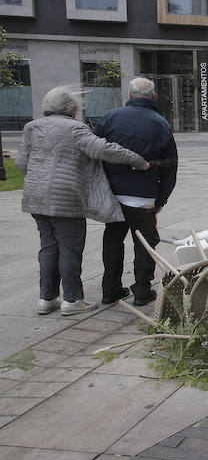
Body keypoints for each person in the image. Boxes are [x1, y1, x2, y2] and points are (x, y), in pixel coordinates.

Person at [17, 85, 149, 316]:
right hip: (66, 198)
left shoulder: (31, 127)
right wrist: (137, 160)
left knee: (48, 247)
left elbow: (21, 164)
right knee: (69, 248)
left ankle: (46, 298)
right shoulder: (75, 129)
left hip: (36, 197)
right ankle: (72, 300)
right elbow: (104, 149)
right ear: (71, 108)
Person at [94, 78, 178, 307]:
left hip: (113, 195)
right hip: (144, 196)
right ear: (152, 97)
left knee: (112, 240)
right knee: (145, 243)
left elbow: (94, 149)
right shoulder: (160, 123)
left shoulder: (110, 118)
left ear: (129, 95)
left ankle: (110, 290)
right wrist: (161, 199)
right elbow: (171, 166)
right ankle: (142, 291)